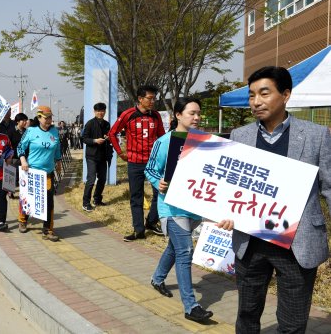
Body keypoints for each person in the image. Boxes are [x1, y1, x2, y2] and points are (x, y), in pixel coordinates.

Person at [216, 66, 330, 333]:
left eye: (264, 93)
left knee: (292, 322)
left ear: (286, 94)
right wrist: (220, 210)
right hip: (250, 242)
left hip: (296, 245)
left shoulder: (316, 135)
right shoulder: (239, 136)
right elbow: (227, 187)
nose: (256, 102)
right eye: (252, 95)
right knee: (247, 314)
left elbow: (329, 186)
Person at [144, 97, 213, 323]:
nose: (197, 117)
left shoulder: (204, 142)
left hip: (194, 207)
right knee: (185, 252)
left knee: (175, 248)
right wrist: (158, 183)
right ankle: (191, 306)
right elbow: (150, 170)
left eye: (198, 113)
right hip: (172, 207)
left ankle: (157, 278)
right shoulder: (164, 142)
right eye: (192, 113)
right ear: (178, 115)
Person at [108, 85, 165, 240]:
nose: (153, 101)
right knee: (136, 196)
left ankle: (152, 222)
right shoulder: (128, 114)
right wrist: (120, 152)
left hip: (154, 163)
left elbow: (162, 137)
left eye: (154, 98)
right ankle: (138, 230)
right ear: (140, 99)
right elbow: (112, 133)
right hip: (135, 162)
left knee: (160, 193)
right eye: (150, 98)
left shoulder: (156, 116)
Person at [17, 106, 62, 240]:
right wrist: (23, 160)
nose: (48, 120)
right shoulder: (31, 131)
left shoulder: (54, 131)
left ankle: (48, 229)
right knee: (27, 198)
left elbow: (57, 147)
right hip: (31, 171)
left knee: (49, 201)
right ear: (39, 117)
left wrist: (58, 162)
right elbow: (20, 146)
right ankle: (23, 221)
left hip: (47, 172)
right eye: (46, 117)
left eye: (50, 117)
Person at [81, 102, 113, 212]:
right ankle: (85, 203)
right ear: (94, 112)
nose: (101, 113)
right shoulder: (89, 124)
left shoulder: (107, 124)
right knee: (91, 179)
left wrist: (108, 137)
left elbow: (109, 136)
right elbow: (84, 139)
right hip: (92, 156)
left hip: (103, 156)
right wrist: (95, 141)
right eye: (98, 111)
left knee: (102, 179)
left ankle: (97, 199)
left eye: (103, 111)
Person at [7, 112, 28, 199]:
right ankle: (10, 192)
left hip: (24, 158)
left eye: (25, 120)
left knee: (22, 176)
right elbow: (8, 144)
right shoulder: (11, 131)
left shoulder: (26, 132)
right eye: (23, 120)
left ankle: (23, 192)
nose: (25, 122)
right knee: (12, 175)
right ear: (18, 121)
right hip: (13, 157)